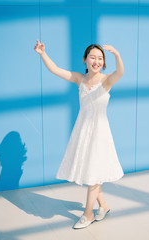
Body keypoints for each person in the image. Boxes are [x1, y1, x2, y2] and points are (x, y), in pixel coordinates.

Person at [34, 41, 124, 229]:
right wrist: (43, 54)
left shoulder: (106, 80)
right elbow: (56, 70)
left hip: (100, 133)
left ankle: (88, 214)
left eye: (100, 58)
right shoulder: (79, 79)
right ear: (85, 60)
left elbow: (120, 73)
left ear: (103, 63)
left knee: (93, 174)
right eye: (92, 57)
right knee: (92, 172)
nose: (96, 61)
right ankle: (104, 207)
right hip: (83, 131)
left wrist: (117, 55)